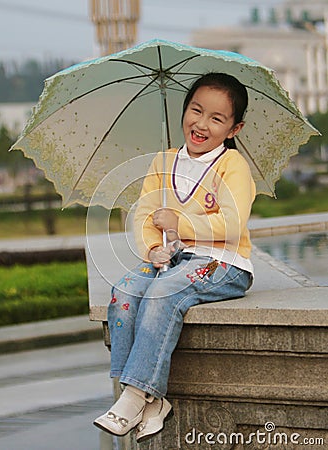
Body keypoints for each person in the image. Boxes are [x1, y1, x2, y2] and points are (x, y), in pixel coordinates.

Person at [94, 72, 256, 442]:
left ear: (234, 129)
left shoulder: (233, 167)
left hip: (223, 263)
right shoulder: (163, 162)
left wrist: (180, 222)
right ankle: (145, 399)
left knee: (164, 292)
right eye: (195, 111)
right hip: (175, 260)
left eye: (216, 118)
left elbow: (232, 223)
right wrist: (153, 247)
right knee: (124, 292)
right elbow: (144, 214)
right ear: (184, 111)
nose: (201, 124)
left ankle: (133, 396)